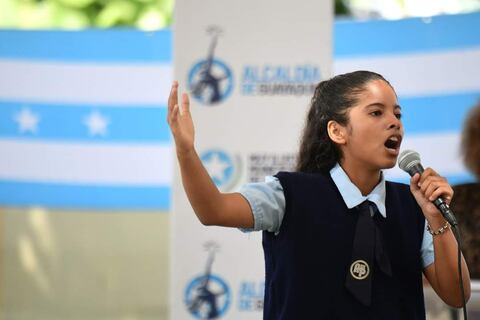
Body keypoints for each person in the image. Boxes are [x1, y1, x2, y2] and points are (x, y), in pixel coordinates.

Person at [167, 70, 471, 319]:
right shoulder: (289, 194)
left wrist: (435, 219)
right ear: (338, 132)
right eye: (376, 113)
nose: (394, 123)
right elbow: (214, 210)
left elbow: (457, 295)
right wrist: (186, 151)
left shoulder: (414, 204)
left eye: (398, 114)